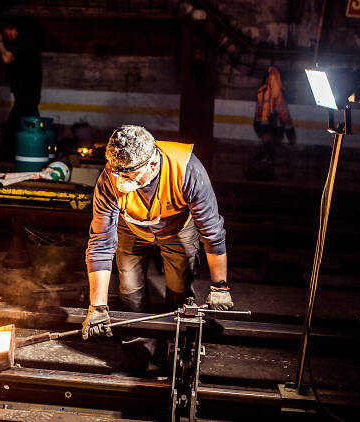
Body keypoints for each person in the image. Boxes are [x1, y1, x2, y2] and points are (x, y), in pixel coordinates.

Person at [82, 125, 233, 342]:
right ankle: (137, 342)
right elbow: (100, 244)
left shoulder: (186, 170)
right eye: (116, 172)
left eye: (128, 174)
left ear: (152, 164)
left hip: (177, 229)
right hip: (131, 228)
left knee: (179, 289)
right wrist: (97, 307)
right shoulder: (109, 179)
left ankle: (178, 340)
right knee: (130, 288)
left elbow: (212, 232)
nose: (119, 180)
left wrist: (220, 286)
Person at [0, 18, 43, 162]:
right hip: (27, 92)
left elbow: (7, 58)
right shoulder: (25, 42)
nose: (5, 35)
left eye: (6, 32)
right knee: (29, 121)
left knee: (16, 123)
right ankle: (34, 152)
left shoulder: (23, 42)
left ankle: (10, 155)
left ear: (13, 29)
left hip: (27, 92)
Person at [246, 66, 296, 180]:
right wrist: (290, 132)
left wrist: (258, 127)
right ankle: (267, 175)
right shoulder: (278, 93)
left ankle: (262, 174)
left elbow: (258, 112)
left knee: (268, 151)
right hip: (275, 129)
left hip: (263, 129)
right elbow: (284, 113)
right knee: (271, 153)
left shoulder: (261, 92)